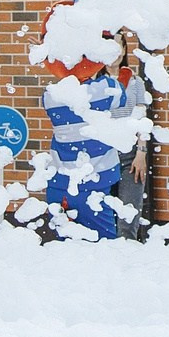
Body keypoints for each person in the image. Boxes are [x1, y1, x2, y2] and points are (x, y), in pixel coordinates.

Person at [43, 50, 127, 239]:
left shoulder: (50, 97)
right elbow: (121, 97)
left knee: (65, 249)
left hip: (59, 186)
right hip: (94, 186)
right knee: (103, 245)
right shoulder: (104, 88)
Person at [109, 29, 154, 240]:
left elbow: (141, 119)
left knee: (128, 222)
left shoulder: (135, 82)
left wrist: (141, 152)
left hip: (130, 159)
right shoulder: (92, 83)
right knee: (105, 221)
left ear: (125, 49)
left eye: (119, 45)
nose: (114, 51)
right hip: (102, 157)